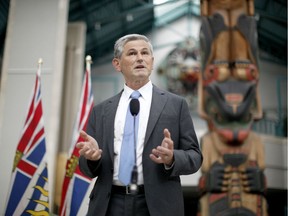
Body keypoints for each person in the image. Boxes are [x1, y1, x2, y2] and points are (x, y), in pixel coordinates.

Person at [76, 34, 203, 216]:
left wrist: (172, 158)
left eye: (145, 53)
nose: (140, 58)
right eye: (132, 53)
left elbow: (195, 157)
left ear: (151, 61)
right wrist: (92, 158)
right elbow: (87, 168)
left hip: (158, 205)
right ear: (117, 64)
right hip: (110, 204)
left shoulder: (176, 105)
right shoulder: (101, 111)